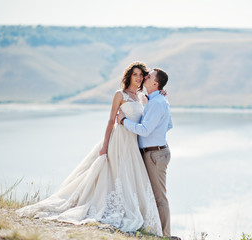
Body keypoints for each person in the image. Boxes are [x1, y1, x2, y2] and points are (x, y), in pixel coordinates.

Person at [16, 62, 162, 236]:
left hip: (132, 144)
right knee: (115, 174)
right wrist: (105, 145)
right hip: (118, 140)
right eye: (135, 75)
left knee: (128, 178)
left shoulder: (141, 97)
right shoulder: (119, 94)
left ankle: (128, 208)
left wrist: (162, 93)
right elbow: (110, 121)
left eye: (141, 75)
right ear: (129, 76)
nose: (138, 78)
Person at [117, 68, 173, 237]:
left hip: (155, 154)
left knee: (159, 197)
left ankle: (165, 234)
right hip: (154, 152)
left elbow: (145, 129)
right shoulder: (156, 100)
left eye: (148, 76)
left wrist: (124, 121)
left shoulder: (157, 102)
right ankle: (156, 229)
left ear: (155, 83)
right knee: (150, 193)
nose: (145, 77)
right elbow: (168, 125)